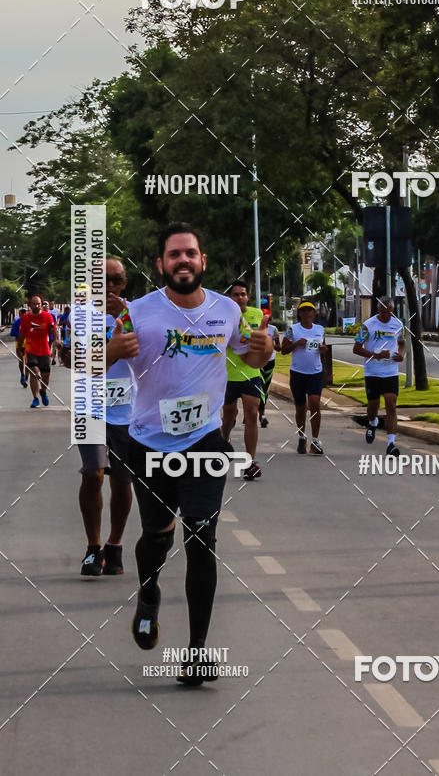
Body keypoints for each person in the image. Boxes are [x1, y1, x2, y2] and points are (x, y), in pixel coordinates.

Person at [106, 223, 272, 685]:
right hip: (149, 443)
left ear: (202, 262)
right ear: (161, 264)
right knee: (157, 536)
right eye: (174, 254)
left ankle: (197, 653)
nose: (183, 260)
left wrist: (265, 349)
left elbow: (249, 356)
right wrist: (107, 351)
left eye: (191, 253)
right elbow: (76, 361)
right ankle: (148, 592)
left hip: (204, 441)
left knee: (201, 538)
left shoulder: (226, 309)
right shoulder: (137, 313)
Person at [72, 260, 134, 577]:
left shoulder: (137, 314)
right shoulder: (82, 314)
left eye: (115, 279)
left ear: (124, 283)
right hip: (90, 406)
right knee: (94, 474)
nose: (109, 285)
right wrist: (110, 350)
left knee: (123, 481)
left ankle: (115, 544)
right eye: (102, 280)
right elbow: (77, 363)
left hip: (129, 410)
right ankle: (93, 548)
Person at [221, 281, 268, 480]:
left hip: (251, 373)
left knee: (252, 413)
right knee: (229, 417)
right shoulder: (222, 316)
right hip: (227, 374)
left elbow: (264, 339)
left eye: (243, 294)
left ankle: (249, 462)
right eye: (235, 295)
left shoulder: (257, 314)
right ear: (229, 298)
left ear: (248, 297)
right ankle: (224, 441)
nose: (240, 298)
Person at [352, 297, 405, 456]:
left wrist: (401, 355)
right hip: (373, 372)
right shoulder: (368, 326)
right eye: (382, 312)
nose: (385, 315)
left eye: (388, 312)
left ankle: (391, 444)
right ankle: (372, 422)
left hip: (390, 372)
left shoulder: (398, 325)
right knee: (373, 406)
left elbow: (402, 343)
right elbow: (356, 348)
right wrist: (376, 355)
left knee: (391, 405)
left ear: (393, 310)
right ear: (377, 310)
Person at [281, 301, 326, 454]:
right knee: (301, 408)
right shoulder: (292, 329)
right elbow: (284, 350)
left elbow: (323, 347)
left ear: (314, 314)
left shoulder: (320, 329)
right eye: (304, 311)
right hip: (298, 373)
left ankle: (315, 440)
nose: (307, 314)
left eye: (310, 311)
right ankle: (302, 437)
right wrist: (297, 343)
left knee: (314, 404)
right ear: (299, 314)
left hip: (315, 372)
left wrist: (323, 349)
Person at [16, 296, 58, 408]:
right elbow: (22, 334)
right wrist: (19, 348)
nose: (37, 306)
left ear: (41, 304)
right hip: (31, 350)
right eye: (34, 304)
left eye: (38, 303)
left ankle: (43, 391)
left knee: (46, 374)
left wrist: (56, 340)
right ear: (30, 305)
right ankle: (35, 398)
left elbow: (53, 329)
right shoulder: (25, 318)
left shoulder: (47, 316)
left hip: (44, 349)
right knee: (34, 372)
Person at [258, 313, 280, 427]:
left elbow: (279, 347)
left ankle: (262, 414)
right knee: (258, 388)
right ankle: (256, 414)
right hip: (257, 362)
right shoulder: (255, 328)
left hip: (270, 361)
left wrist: (271, 343)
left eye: (268, 318)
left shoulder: (274, 330)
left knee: (265, 389)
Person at [10, 308, 28, 387]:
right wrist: (21, 334)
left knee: (28, 361)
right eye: (22, 313)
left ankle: (26, 378)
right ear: (20, 314)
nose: (24, 314)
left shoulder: (29, 321)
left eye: (25, 313)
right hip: (19, 343)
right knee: (21, 360)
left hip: (27, 343)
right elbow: (12, 333)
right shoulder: (17, 322)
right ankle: (22, 375)